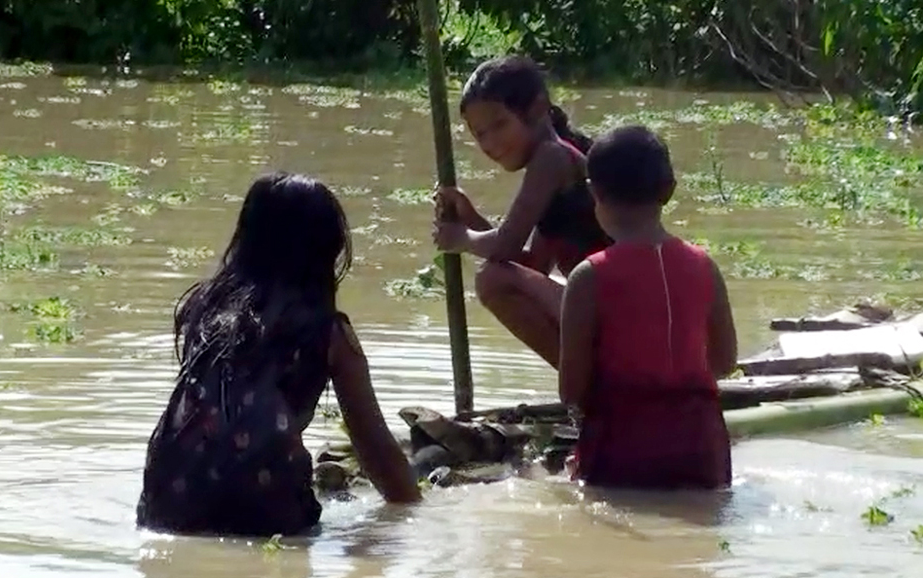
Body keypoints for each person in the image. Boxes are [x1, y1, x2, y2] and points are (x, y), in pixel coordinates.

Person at [136, 172, 421, 538]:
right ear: (325, 252)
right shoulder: (327, 333)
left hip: (168, 500)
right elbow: (375, 446)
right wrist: (417, 515)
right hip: (267, 506)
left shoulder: (203, 309)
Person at [558, 125, 738, 490]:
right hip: (702, 449)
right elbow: (724, 362)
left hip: (624, 448)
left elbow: (571, 390)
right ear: (669, 190)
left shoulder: (589, 276)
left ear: (594, 193)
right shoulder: (705, 265)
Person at [432, 54, 613, 370]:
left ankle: (592, 388)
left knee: (491, 281)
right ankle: (593, 383)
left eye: (499, 125)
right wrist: (471, 219)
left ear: (537, 108)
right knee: (499, 275)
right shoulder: (557, 158)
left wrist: (461, 238)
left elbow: (505, 247)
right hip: (609, 311)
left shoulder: (552, 158)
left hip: (620, 314)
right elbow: (531, 265)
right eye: (479, 134)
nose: (490, 143)